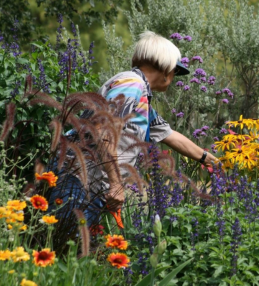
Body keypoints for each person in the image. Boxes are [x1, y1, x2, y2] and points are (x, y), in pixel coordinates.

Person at [49, 30, 218, 226]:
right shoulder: (132, 85)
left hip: (88, 180)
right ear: (166, 68)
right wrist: (115, 183)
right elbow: (104, 132)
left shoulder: (140, 95)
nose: (174, 77)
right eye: (175, 71)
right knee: (62, 248)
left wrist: (210, 160)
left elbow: (169, 135)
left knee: (71, 248)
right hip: (78, 178)